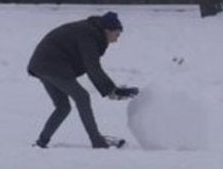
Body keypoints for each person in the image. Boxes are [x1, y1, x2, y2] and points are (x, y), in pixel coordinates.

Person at [27, 11, 139, 149]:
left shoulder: (91, 31)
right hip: (52, 65)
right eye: (116, 34)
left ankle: (41, 142)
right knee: (82, 97)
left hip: (42, 65)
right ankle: (97, 141)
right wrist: (112, 91)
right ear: (107, 30)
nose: (116, 40)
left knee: (63, 107)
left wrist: (112, 90)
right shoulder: (88, 35)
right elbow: (92, 66)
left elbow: (90, 65)